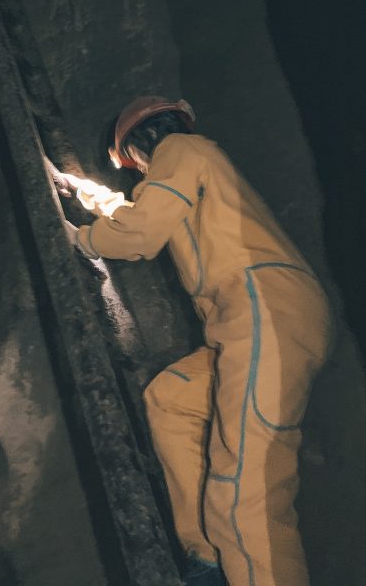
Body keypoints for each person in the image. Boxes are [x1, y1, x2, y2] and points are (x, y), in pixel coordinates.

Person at [69, 96, 331, 586]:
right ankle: (210, 558)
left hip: (263, 311)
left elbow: (141, 233)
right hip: (254, 319)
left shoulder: (182, 149)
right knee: (172, 400)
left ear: (142, 143)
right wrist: (91, 197)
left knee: (245, 492)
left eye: (134, 162)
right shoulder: (196, 170)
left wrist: (80, 240)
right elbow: (146, 213)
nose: (141, 170)